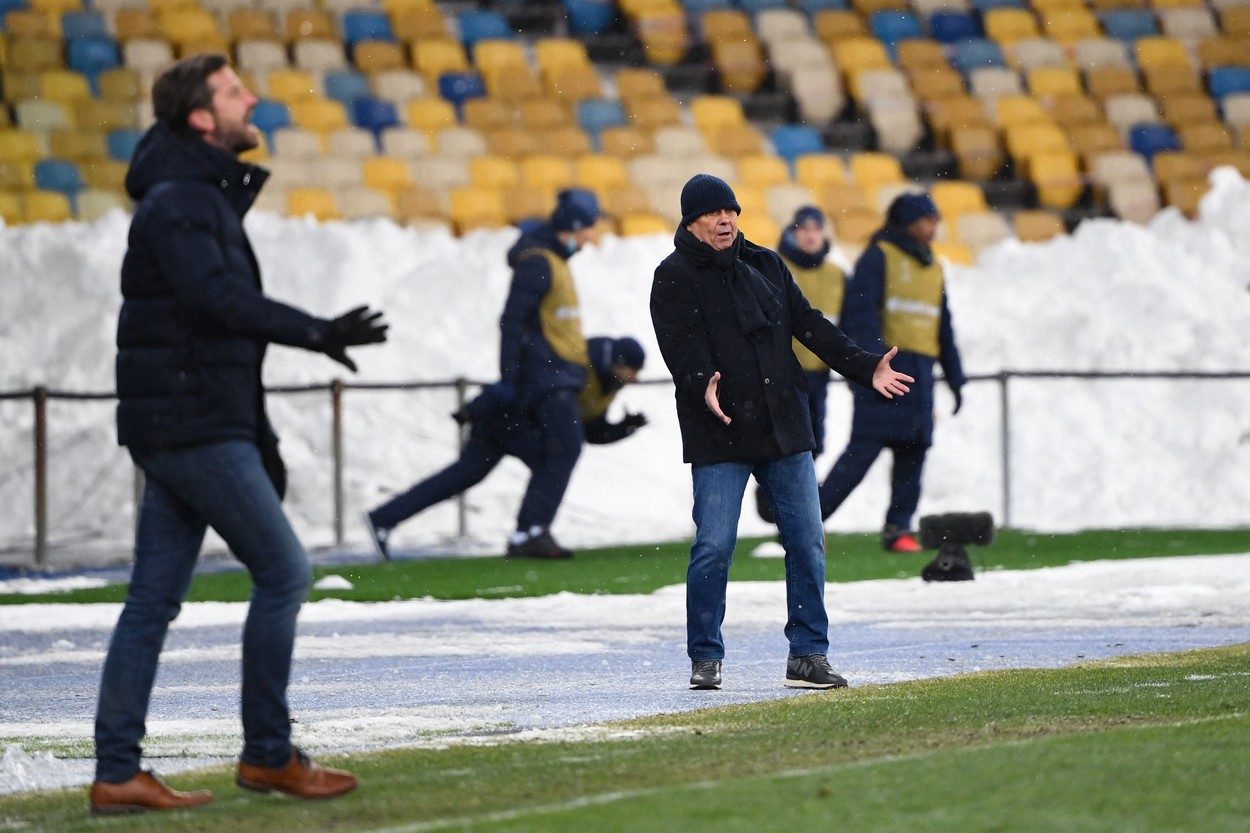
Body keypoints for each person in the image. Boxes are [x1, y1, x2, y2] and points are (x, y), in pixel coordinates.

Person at [91, 54, 387, 815]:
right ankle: (267, 754)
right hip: (189, 422)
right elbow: (215, 301)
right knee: (284, 571)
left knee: (151, 601)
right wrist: (316, 331)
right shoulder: (181, 197)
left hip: (187, 417)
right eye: (232, 92)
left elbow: (212, 329)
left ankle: (119, 770)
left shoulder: (194, 192)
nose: (251, 98)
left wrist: (258, 435)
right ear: (200, 117)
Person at [649, 174, 913, 692]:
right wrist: (702, 383)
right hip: (720, 430)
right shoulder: (673, 275)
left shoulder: (766, 263)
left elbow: (812, 327)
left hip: (783, 424)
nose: (726, 220)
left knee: (808, 541)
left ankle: (807, 656)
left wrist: (864, 367)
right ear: (691, 221)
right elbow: (680, 347)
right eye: (714, 214)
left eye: (732, 211)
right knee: (714, 545)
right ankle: (705, 655)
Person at [363, 336, 648, 560]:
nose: (634, 378)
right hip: (508, 419)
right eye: (632, 370)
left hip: (509, 423)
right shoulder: (577, 364)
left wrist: (621, 429)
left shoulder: (605, 384)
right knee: (554, 459)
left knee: (462, 475)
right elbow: (532, 388)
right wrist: (479, 407)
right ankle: (529, 533)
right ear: (617, 362)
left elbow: (586, 430)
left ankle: (384, 518)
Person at [818, 192, 966, 553]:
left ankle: (898, 529)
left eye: (935, 221)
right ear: (907, 223)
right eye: (926, 220)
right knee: (860, 456)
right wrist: (870, 368)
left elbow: (942, 325)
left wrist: (955, 376)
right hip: (885, 371)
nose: (933, 227)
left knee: (914, 455)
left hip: (921, 374)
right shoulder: (879, 255)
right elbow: (859, 317)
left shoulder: (934, 265)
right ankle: (806, 519)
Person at [478, 188, 602, 557]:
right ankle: (530, 531)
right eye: (590, 228)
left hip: (555, 375)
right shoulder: (538, 262)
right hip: (547, 377)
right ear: (574, 226)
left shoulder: (550, 259)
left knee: (557, 450)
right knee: (564, 448)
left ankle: (529, 531)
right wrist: (508, 378)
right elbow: (512, 321)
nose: (593, 237)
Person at [755, 205, 846, 523]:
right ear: (793, 233)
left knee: (814, 443)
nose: (810, 235)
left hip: (818, 376)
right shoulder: (777, 267)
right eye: (804, 228)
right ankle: (779, 504)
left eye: (815, 228)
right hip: (782, 374)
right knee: (786, 444)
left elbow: (843, 325)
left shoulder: (836, 275)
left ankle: (788, 509)